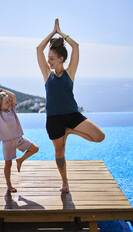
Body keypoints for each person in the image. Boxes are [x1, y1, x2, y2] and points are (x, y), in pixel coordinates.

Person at [36, 18, 105, 193]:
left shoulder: (70, 72)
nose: (49, 62)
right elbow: (38, 49)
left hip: (73, 116)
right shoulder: (47, 74)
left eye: (52, 58)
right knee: (60, 154)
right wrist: (52, 33)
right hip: (53, 119)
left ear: (61, 58)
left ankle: (70, 131)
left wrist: (62, 34)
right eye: (48, 59)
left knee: (99, 136)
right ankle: (65, 182)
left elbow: (76, 47)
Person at [0, 83, 39, 192]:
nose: (9, 103)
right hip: (7, 143)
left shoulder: (12, 109)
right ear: (0, 104)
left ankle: (20, 160)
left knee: (35, 148)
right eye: (6, 102)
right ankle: (9, 185)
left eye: (9, 101)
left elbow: (13, 96)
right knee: (8, 164)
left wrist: (1, 89)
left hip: (19, 139)